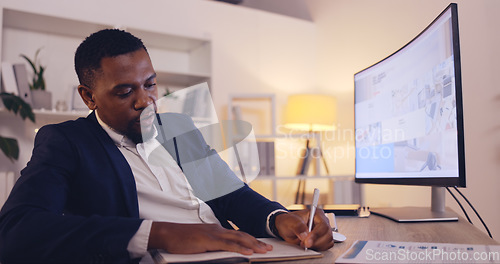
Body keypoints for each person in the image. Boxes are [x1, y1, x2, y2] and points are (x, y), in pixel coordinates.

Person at [0, 29, 333, 263]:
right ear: (88, 97)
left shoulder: (178, 128)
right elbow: (16, 229)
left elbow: (231, 195)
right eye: (124, 91)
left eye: (150, 84)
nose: (146, 101)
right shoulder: (67, 142)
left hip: (235, 255)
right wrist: (157, 234)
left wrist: (279, 219)